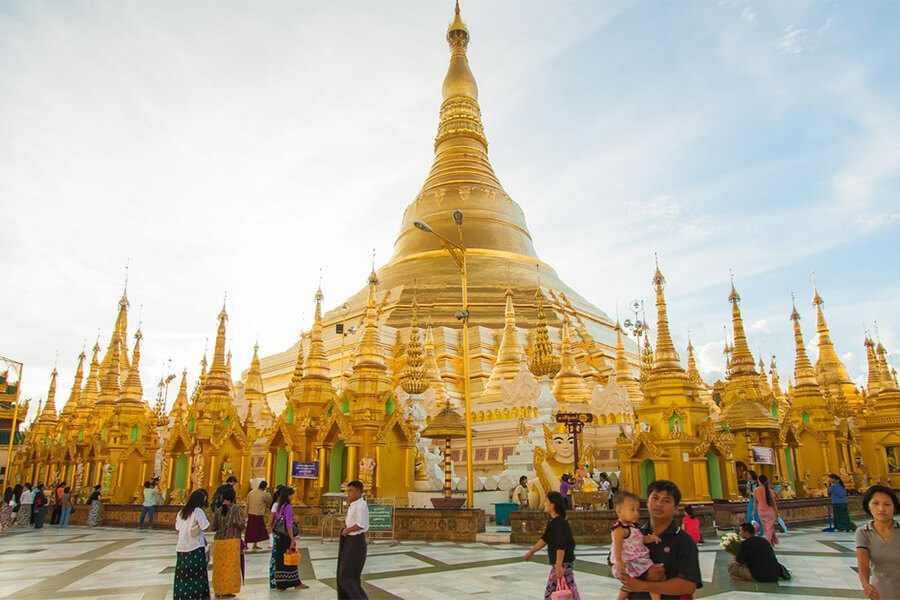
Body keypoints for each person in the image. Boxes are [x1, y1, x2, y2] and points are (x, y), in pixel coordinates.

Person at [620, 480, 703, 599]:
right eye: (655, 498)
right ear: (647, 502)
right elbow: (614, 561)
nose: (658, 504)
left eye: (666, 501)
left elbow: (689, 585)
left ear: (675, 508)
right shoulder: (634, 533)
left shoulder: (683, 540)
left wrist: (643, 585)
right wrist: (645, 574)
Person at [523, 490, 581, 600]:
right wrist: (531, 552)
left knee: (553, 593)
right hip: (561, 564)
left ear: (553, 505)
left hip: (563, 564)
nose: (544, 503)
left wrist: (558, 565)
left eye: (546, 501)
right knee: (568, 592)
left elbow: (561, 545)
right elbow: (545, 539)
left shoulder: (559, 523)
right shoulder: (553, 522)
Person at [610, 491, 660, 600]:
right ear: (619, 511)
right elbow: (616, 545)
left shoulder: (633, 527)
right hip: (630, 563)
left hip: (638, 560)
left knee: (630, 586)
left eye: (637, 510)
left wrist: (650, 538)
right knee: (651, 579)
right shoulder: (619, 529)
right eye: (632, 510)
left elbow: (639, 540)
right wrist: (618, 561)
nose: (636, 513)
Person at [855, 485, 900, 600]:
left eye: (887, 504)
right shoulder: (863, 533)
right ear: (868, 506)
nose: (881, 509)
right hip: (880, 590)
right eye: (876, 503)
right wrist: (865, 585)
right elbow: (863, 564)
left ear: (894, 508)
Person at [174, 489, 211, 600]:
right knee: (196, 573)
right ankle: (197, 596)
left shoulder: (181, 512)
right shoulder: (198, 511)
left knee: (183, 574)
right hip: (195, 546)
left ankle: (182, 595)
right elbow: (205, 526)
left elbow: (177, 529)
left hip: (181, 547)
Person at [269, 486, 307, 591]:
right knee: (290, 559)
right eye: (292, 495)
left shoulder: (278, 506)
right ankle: (296, 582)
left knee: (281, 559)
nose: (293, 497)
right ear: (288, 495)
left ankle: (281, 585)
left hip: (278, 536)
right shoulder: (288, 507)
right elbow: (289, 525)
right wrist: (292, 539)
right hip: (286, 537)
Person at [211, 484, 245, 598]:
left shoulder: (219, 510)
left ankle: (218, 590)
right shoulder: (236, 508)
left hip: (219, 541)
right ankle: (227, 590)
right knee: (230, 567)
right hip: (232, 541)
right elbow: (240, 523)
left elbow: (213, 527)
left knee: (219, 567)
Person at [338, 480, 370, 599]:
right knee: (348, 574)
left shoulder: (361, 505)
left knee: (346, 576)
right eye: (347, 491)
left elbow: (361, 524)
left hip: (356, 541)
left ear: (358, 491)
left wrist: (347, 530)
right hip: (350, 541)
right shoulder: (354, 504)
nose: (348, 494)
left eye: (351, 491)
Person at [245, 480, 272, 551]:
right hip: (258, 513)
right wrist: (268, 493)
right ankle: (254, 544)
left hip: (251, 513)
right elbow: (269, 500)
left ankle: (246, 544)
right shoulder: (263, 494)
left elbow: (247, 504)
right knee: (257, 530)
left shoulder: (251, 492)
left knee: (249, 529)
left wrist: (245, 513)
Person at [752, 475, 779, 545]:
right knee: (769, 528)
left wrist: (753, 511)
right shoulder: (770, 491)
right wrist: (777, 512)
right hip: (770, 511)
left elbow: (755, 502)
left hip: (761, 511)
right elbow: (774, 503)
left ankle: (772, 541)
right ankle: (768, 543)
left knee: (767, 528)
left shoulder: (756, 490)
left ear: (759, 481)